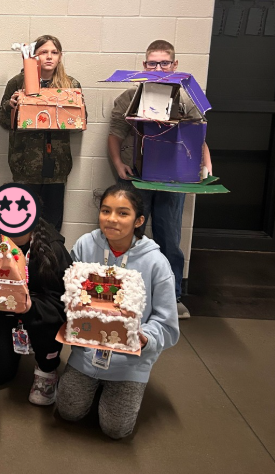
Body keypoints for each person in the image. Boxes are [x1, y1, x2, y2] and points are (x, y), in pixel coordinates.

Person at [55, 184, 179, 439]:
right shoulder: (84, 246)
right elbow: (69, 293)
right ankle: (93, 383)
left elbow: (168, 325)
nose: (111, 219)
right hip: (87, 351)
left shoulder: (157, 263)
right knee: (68, 411)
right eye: (106, 211)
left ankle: (120, 385)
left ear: (138, 220)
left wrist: (144, 337)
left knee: (116, 430)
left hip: (130, 360)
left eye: (123, 213)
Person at [107, 39, 212, 319]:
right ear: (144, 66)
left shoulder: (186, 99)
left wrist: (207, 165)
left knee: (169, 238)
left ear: (175, 65)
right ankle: (124, 294)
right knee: (128, 236)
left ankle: (173, 296)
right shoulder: (128, 98)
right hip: (135, 179)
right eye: (153, 63)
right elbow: (116, 134)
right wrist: (118, 164)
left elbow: (197, 137)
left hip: (171, 181)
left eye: (164, 63)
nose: (159, 68)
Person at [0, 219, 72, 405]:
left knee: (47, 330)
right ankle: (16, 347)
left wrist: (30, 306)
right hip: (6, 315)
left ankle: (47, 368)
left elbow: (63, 305)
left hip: (44, 318)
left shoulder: (53, 248)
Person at [0, 35, 85, 232]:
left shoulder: (70, 85)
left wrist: (72, 109)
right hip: (24, 165)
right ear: (34, 56)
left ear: (60, 56)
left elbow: (80, 124)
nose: (49, 57)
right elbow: (3, 122)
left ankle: (50, 262)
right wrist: (10, 107)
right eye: (43, 52)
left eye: (54, 52)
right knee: (21, 224)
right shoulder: (17, 83)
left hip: (57, 166)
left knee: (52, 225)